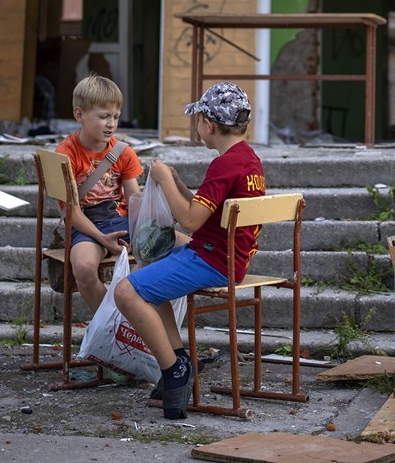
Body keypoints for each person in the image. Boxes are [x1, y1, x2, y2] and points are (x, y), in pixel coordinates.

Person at [114, 82, 264, 419]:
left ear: (208, 125)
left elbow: (190, 221)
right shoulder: (247, 159)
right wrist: (179, 183)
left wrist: (165, 181)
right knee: (149, 266)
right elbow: (204, 206)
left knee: (126, 292)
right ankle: (179, 359)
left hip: (213, 259)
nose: (197, 125)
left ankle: (174, 371)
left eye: (197, 119)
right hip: (226, 254)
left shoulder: (223, 165)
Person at [56, 75, 142, 312]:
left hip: (119, 219)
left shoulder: (123, 152)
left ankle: (134, 314)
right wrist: (103, 239)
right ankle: (114, 324)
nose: (111, 124)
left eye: (115, 116)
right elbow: (71, 212)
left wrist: (155, 216)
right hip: (83, 223)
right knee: (83, 269)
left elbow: (134, 201)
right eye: (103, 117)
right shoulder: (65, 155)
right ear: (79, 115)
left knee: (168, 247)